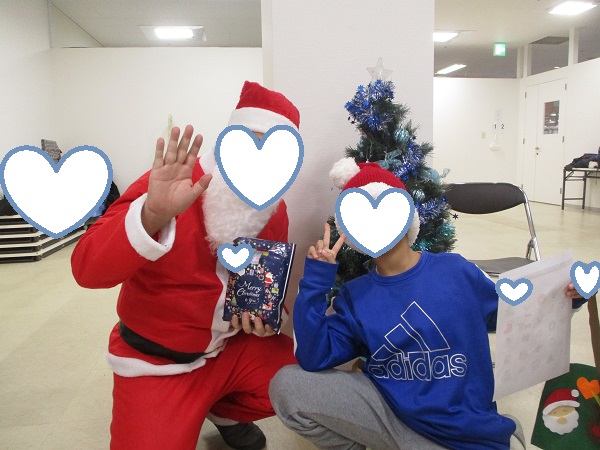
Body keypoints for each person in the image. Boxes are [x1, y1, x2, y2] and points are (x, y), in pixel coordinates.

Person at [269, 159, 586, 450]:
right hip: (395, 421)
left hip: (470, 434)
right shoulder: (356, 295)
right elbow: (313, 357)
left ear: (406, 215)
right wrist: (316, 280)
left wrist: (569, 292)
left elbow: (516, 311)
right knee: (287, 385)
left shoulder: (455, 271)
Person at [71, 81, 299, 450]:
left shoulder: (275, 208)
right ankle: (193, 408)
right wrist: (151, 215)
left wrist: (266, 320)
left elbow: (266, 290)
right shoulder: (169, 185)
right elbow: (87, 269)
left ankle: (223, 410)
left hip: (230, 353)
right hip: (157, 362)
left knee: (307, 383)